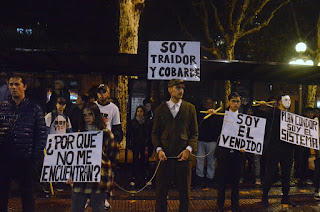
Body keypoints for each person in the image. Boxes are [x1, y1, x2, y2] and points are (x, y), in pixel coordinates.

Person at [0, 74, 47, 212]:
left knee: (27, 195)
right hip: (4, 158)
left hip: (25, 158)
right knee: (2, 193)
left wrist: (35, 158)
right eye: (11, 85)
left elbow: (41, 135)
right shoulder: (2, 107)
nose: (13, 88)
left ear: (24, 86)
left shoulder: (34, 109)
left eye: (17, 84)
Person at [152, 79, 198, 212]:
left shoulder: (190, 109)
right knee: (161, 193)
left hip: (183, 158)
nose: (181, 90)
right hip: (164, 158)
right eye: (178, 87)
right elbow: (155, 134)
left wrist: (188, 150)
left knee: (185, 194)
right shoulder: (160, 109)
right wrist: (159, 150)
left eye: (182, 88)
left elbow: (194, 133)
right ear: (169, 89)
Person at [68, 102, 119, 212]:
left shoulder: (106, 134)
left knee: (98, 208)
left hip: (99, 179)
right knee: (76, 208)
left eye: (90, 114)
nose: (87, 117)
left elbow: (113, 155)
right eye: (85, 115)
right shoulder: (79, 134)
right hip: (81, 179)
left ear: (96, 114)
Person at [261, 95, 296, 207]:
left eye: (290, 100)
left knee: (286, 174)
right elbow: (261, 115)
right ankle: (265, 197)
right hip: (274, 148)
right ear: (279, 102)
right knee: (270, 173)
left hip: (288, 149)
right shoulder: (273, 113)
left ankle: (285, 197)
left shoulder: (292, 116)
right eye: (286, 99)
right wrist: (262, 106)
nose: (288, 102)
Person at [213, 92, 245, 212]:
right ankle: (220, 206)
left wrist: (244, 146)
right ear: (229, 102)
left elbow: (247, 136)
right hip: (223, 154)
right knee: (221, 183)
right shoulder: (221, 115)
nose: (236, 104)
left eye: (238, 101)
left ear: (240, 102)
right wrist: (213, 114)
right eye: (233, 101)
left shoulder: (244, 118)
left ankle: (235, 206)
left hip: (237, 155)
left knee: (235, 183)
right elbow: (214, 130)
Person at [195, 97, 222, 188]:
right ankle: (199, 178)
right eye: (207, 103)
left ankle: (210, 178)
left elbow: (218, 127)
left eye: (210, 103)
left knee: (211, 161)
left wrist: (213, 115)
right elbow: (198, 124)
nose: (209, 105)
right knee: (200, 159)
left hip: (212, 141)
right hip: (201, 140)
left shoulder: (216, 115)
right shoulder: (201, 114)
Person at [127, 106, 152, 187]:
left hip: (144, 144)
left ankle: (145, 178)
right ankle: (134, 178)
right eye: (138, 111)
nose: (139, 113)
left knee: (145, 161)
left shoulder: (147, 123)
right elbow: (129, 134)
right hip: (135, 144)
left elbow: (149, 134)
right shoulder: (133, 122)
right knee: (135, 161)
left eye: (141, 111)